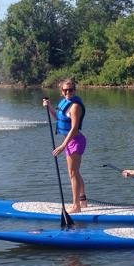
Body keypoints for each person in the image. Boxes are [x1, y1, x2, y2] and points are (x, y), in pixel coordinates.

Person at [42, 78, 87, 212]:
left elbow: (74, 129)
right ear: (61, 91)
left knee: (72, 173)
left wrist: (62, 146)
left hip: (75, 141)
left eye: (71, 90)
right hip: (69, 141)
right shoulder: (64, 102)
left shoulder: (75, 106)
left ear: (74, 90)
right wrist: (49, 107)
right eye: (65, 90)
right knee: (75, 172)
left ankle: (76, 206)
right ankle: (82, 200)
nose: (68, 92)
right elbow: (59, 118)